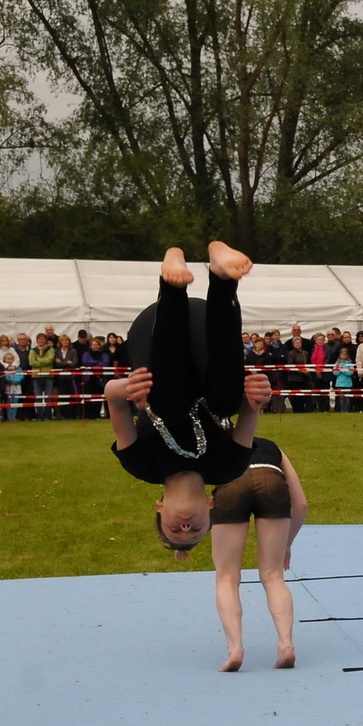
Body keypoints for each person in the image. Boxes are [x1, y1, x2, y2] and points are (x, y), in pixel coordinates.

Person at [105, 244, 271, 555]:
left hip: (154, 333)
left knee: (170, 406)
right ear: (210, 506)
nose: (185, 526)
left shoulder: (143, 465)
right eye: (194, 529)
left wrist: (127, 386)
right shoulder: (228, 468)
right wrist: (260, 392)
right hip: (207, 335)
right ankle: (222, 276)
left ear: (159, 506)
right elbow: (252, 407)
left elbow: (114, 401)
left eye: (175, 528)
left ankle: (172, 281)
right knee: (226, 404)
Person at [210, 437, 306, 671]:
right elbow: (301, 504)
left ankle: (235, 650)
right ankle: (286, 644)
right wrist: (287, 543)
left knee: (227, 577)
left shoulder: (215, 444)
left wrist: (183, 542)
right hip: (271, 480)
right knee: (273, 575)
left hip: (231, 484)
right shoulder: (273, 447)